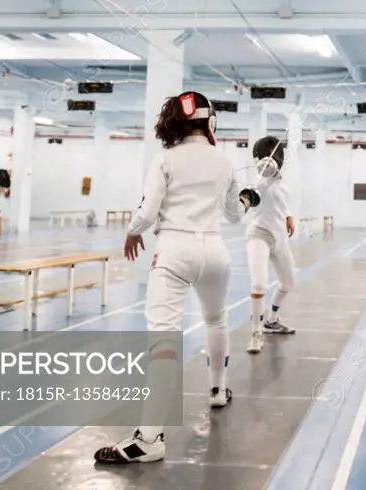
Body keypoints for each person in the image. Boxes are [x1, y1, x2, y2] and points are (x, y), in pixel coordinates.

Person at [94, 91, 257, 465]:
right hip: (215, 253)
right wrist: (248, 199)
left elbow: (148, 211)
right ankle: (218, 389)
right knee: (216, 319)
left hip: (173, 252)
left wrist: (134, 230)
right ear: (208, 120)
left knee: (164, 337)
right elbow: (235, 213)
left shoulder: (165, 159)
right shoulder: (224, 162)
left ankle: (149, 438)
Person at [243, 135, 297, 354]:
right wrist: (243, 200)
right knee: (259, 285)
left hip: (280, 238)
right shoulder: (257, 181)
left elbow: (282, 202)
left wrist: (289, 216)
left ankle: (272, 320)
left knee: (288, 282)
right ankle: (256, 333)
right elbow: (250, 195)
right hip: (259, 235)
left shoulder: (282, 181)